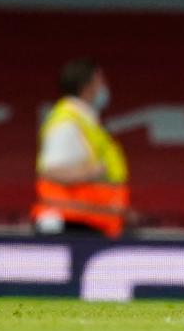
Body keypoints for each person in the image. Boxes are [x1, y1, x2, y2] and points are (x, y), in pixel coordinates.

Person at [31, 58, 130, 238]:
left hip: (89, 222)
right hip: (68, 224)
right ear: (87, 87)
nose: (104, 88)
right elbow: (50, 171)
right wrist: (92, 172)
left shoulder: (86, 121)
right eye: (100, 81)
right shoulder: (67, 122)